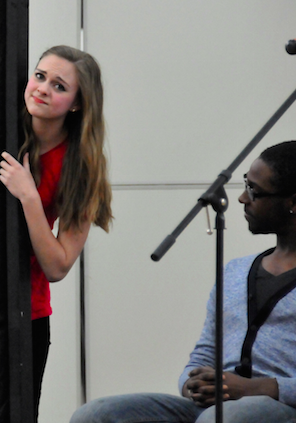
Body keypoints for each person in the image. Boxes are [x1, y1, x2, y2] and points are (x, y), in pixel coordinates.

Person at [70, 140, 296, 423]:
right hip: (213, 410)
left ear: (293, 202)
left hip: (279, 409)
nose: (242, 198)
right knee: (96, 415)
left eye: (254, 190)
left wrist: (258, 388)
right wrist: (192, 384)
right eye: (245, 184)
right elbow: (205, 352)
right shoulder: (236, 271)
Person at [0, 45, 113, 419]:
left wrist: (29, 196)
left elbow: (58, 266)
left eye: (59, 86)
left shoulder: (80, 167)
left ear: (78, 104)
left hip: (24, 313)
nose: (43, 88)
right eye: (40, 76)